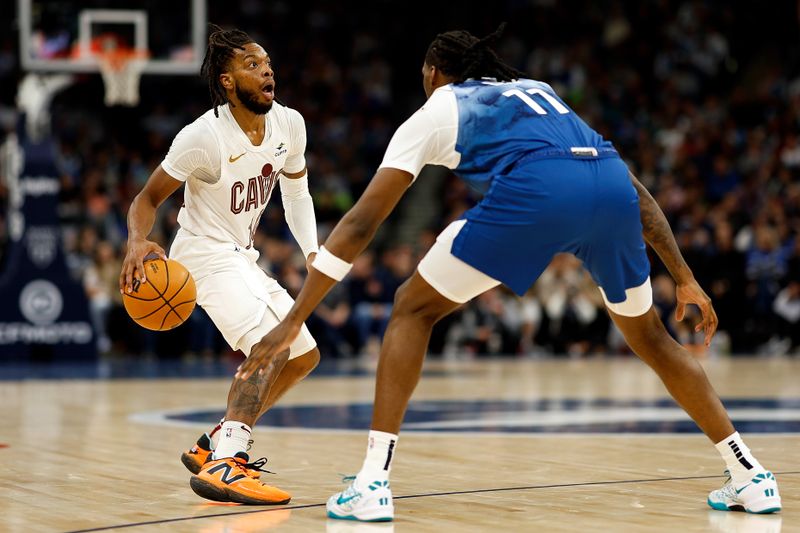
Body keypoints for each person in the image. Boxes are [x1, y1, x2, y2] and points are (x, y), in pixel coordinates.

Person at [237, 25, 782, 520]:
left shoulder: (436, 109)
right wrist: (683, 276)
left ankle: (373, 483)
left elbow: (360, 224)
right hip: (612, 186)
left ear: (431, 73)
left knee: (413, 307)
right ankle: (750, 474)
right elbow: (632, 186)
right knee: (654, 340)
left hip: (541, 191)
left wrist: (293, 321)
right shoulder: (539, 89)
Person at [120, 25, 321, 505]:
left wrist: (313, 253)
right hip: (203, 255)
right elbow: (147, 197)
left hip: (242, 256)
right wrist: (135, 240)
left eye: (267, 62)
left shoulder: (289, 124)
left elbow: (296, 192)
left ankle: (213, 443)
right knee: (268, 347)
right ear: (228, 82)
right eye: (252, 64)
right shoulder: (204, 137)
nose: (266, 69)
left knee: (305, 356)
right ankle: (227, 465)